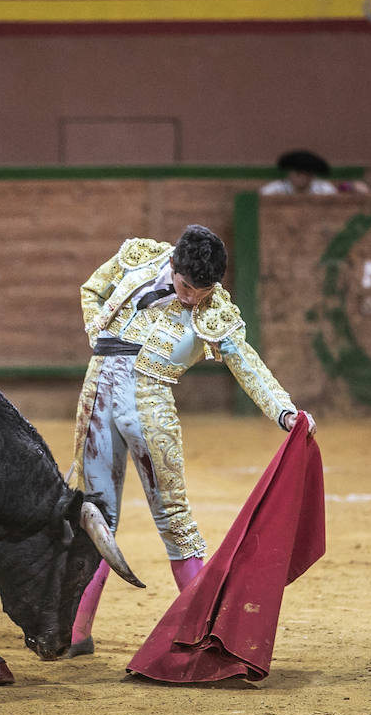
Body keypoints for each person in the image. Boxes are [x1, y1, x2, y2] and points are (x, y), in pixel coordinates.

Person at [65, 225, 314, 657]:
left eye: (203, 290)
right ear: (173, 265)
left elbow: (247, 364)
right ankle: (75, 632)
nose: (192, 298)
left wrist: (284, 410)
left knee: (175, 520)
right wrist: (98, 334)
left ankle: (205, 637)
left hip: (150, 408)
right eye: (185, 286)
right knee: (94, 515)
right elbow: (92, 289)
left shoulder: (215, 310)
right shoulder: (139, 256)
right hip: (97, 394)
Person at [260, 149, 340, 195]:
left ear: (312, 176)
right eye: (298, 174)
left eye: (307, 174)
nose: (302, 178)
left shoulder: (325, 190)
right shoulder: (273, 190)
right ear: (290, 174)